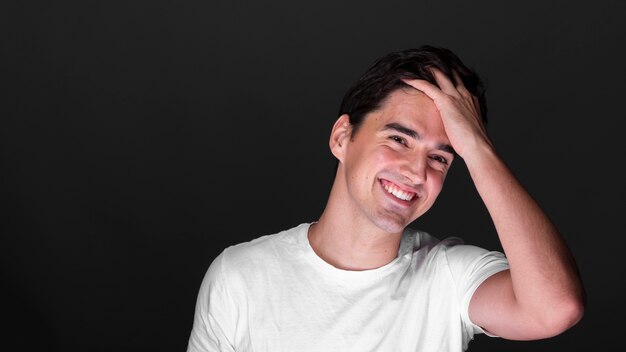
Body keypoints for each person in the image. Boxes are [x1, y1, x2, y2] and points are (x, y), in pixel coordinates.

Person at [186, 45, 585, 352]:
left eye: (441, 157)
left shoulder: (449, 278)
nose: (416, 171)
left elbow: (555, 308)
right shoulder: (239, 277)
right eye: (398, 139)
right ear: (343, 137)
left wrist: (477, 147)